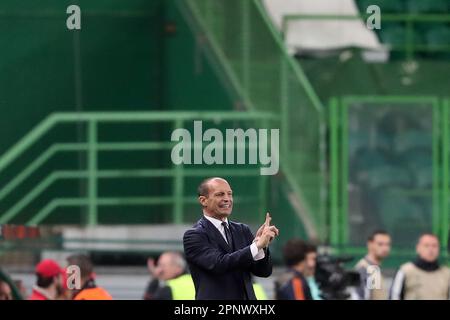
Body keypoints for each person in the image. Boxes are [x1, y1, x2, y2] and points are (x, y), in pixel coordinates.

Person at [183, 177, 278, 300]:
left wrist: (262, 246)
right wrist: (257, 246)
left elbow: (263, 272)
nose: (227, 199)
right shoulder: (194, 235)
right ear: (203, 200)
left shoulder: (242, 230)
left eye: (230, 194)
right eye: (220, 194)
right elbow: (219, 264)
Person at [390, 233, 450, 300]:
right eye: (426, 246)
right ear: (418, 248)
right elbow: (394, 296)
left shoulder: (446, 274)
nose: (431, 249)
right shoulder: (405, 271)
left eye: (434, 246)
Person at [354, 230, 391, 300]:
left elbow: (376, 296)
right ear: (370, 244)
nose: (385, 248)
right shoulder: (365, 268)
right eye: (380, 244)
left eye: (387, 244)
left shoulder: (374, 268)